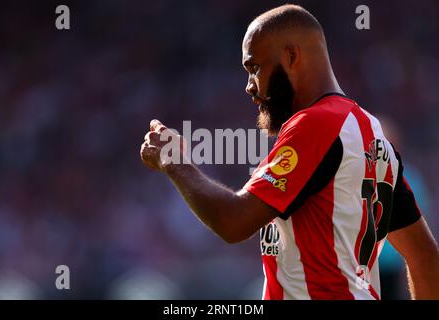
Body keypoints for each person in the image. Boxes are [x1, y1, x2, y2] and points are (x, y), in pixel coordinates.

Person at [140, 4, 439, 300]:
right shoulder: (372, 134)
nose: (249, 86)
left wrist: (174, 162)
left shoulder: (317, 124)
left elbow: (233, 221)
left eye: (254, 67)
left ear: (291, 56)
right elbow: (424, 256)